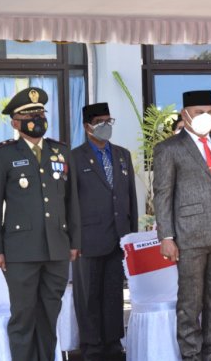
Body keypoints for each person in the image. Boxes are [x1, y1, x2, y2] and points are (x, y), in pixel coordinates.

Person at [153, 90, 211, 360]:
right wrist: (166, 237)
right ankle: (191, 354)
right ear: (185, 115)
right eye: (198, 112)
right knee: (190, 303)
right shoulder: (169, 149)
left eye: (209, 112)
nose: (205, 117)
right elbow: (163, 195)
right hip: (189, 237)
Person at [0, 87, 80, 360]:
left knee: (49, 316)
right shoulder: (2, 155)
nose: (37, 118)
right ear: (15, 123)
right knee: (23, 317)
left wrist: (75, 242)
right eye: (30, 114)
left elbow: (72, 202)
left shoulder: (61, 151)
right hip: (20, 251)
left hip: (57, 249)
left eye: (40, 112)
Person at [71, 102, 138, 360]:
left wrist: (130, 236)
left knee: (113, 295)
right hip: (88, 239)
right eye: (100, 121)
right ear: (88, 126)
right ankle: (92, 346)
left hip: (117, 238)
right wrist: (73, 240)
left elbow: (130, 196)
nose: (105, 126)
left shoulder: (122, 155)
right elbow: (71, 202)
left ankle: (112, 343)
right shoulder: (75, 157)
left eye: (109, 121)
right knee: (88, 296)